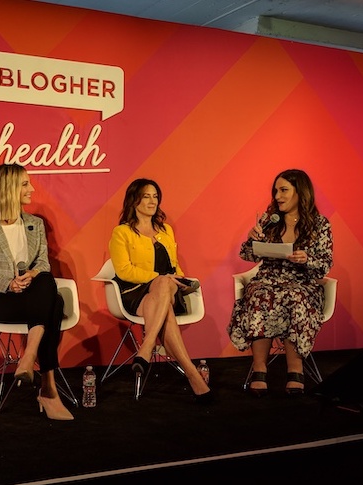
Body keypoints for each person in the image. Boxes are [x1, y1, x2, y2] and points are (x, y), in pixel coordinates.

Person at [0, 164, 73, 420]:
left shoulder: (35, 224)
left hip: (32, 296)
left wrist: (31, 275)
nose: (32, 189)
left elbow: (44, 264)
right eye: (25, 184)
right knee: (54, 305)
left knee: (46, 279)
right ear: (9, 188)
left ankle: (29, 359)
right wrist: (8, 284)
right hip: (1, 300)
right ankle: (48, 389)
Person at [228, 169, 333, 397]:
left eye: (284, 190)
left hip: (302, 282)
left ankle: (295, 370)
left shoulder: (319, 224)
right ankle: (259, 369)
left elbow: (325, 265)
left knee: (296, 297)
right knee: (259, 295)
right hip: (268, 278)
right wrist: (252, 239)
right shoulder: (268, 221)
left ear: (300, 192)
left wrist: (307, 259)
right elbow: (248, 255)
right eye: (276, 191)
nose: (277, 196)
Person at [109, 178, 212, 403]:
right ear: (134, 200)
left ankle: (145, 349)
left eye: (155, 196)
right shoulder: (122, 232)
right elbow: (124, 270)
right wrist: (160, 278)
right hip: (135, 292)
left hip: (168, 291)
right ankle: (193, 375)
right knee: (165, 309)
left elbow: (173, 266)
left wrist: (182, 279)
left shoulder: (166, 230)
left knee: (165, 285)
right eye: (146, 196)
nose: (152, 201)